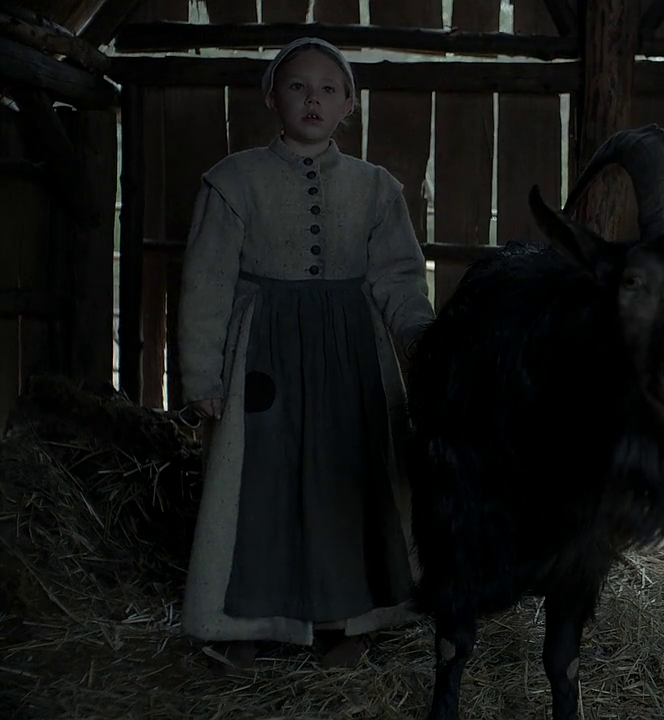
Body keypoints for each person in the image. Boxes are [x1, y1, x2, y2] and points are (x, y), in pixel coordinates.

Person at [176, 37, 435, 670]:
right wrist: (203, 374)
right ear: (272, 97)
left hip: (353, 359)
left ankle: (351, 621)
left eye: (328, 88)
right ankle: (244, 622)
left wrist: (428, 350)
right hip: (264, 358)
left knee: (349, 485)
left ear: (349, 104)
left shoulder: (376, 189)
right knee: (259, 486)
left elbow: (401, 281)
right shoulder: (234, 180)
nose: (312, 99)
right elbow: (206, 281)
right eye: (297, 86)